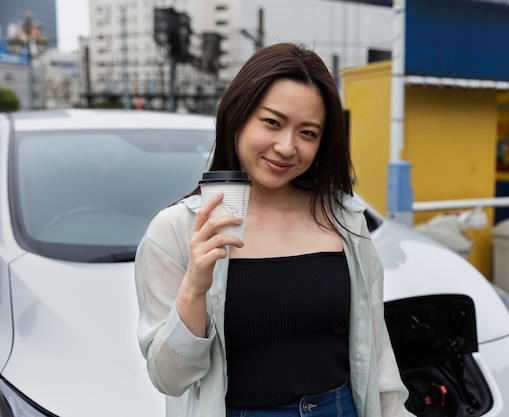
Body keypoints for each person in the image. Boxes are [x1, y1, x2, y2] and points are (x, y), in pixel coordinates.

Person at [134, 42, 408, 417]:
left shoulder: (345, 220)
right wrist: (195, 286)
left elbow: (377, 351)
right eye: (272, 122)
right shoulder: (177, 231)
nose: (286, 146)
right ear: (237, 115)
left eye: (308, 133)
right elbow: (169, 377)